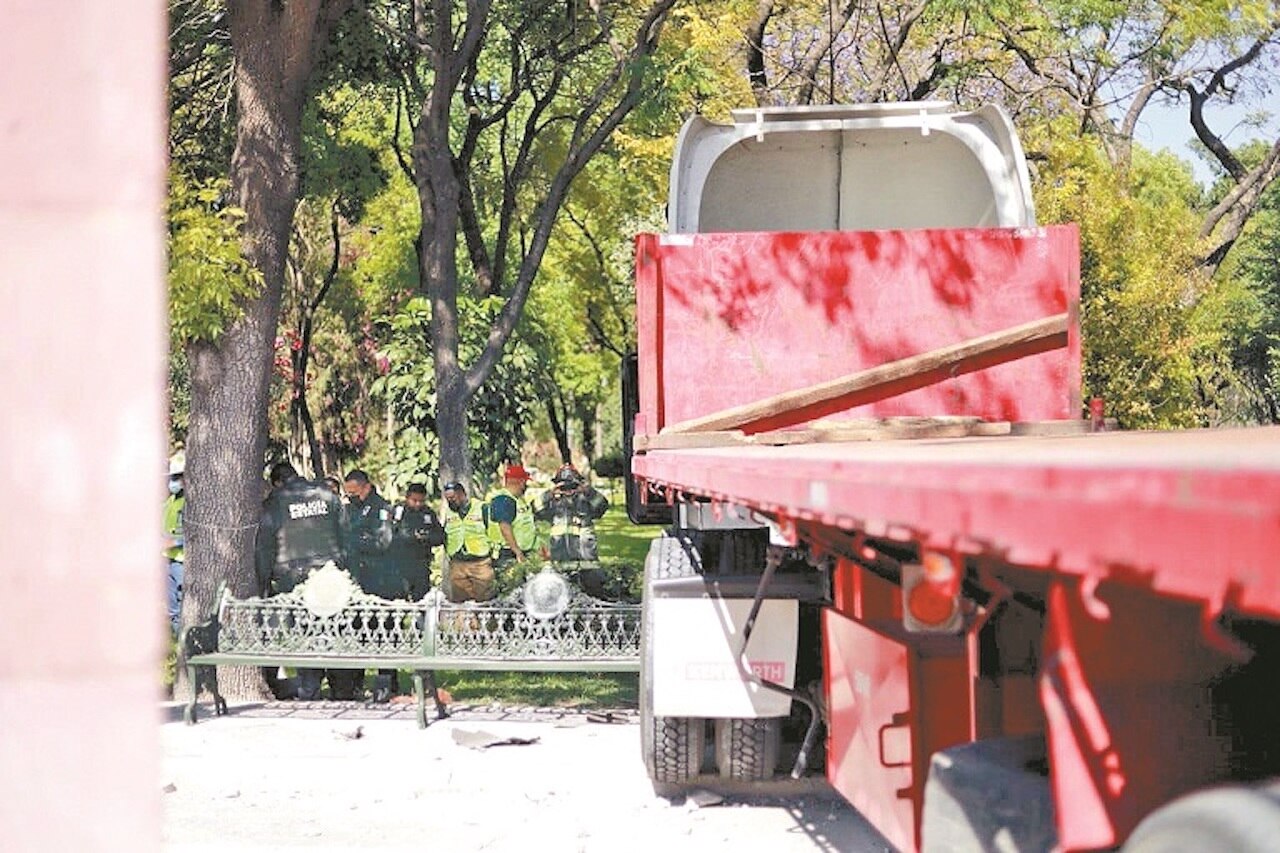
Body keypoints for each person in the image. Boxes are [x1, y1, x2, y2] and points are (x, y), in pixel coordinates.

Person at [255, 461, 347, 700]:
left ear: (277, 482)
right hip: (331, 574)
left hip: (293, 578)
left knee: (305, 631)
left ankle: (310, 688)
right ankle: (340, 688)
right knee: (332, 629)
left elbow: (265, 546)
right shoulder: (327, 495)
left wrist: (263, 581)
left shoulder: (275, 502)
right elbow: (345, 534)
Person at [340, 469, 393, 701]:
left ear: (366, 487)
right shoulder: (348, 510)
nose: (350, 497)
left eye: (354, 492)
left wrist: (355, 541)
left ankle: (386, 684)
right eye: (347, 493)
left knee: (384, 632)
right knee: (355, 632)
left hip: (379, 580)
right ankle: (355, 685)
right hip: (355, 581)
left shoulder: (382, 509)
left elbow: (382, 543)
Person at [535, 463, 610, 564]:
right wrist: (550, 493)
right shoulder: (553, 502)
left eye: (572, 485)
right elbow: (535, 509)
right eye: (563, 486)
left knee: (590, 578)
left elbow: (603, 506)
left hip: (585, 556)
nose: (568, 489)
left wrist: (587, 491)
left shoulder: (586, 499)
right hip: (560, 556)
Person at [440, 481, 495, 602]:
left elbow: (494, 533)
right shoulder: (449, 513)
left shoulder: (482, 508)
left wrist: (494, 557)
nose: (450, 501)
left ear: (462, 494)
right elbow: (445, 535)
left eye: (453, 498)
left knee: (484, 602)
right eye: (447, 499)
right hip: (458, 563)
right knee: (460, 604)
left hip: (480, 563)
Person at [486, 463, 540, 585]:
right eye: (525, 483)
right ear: (521, 482)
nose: (525, 486)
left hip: (520, 554)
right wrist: (517, 551)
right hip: (508, 554)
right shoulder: (503, 499)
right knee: (510, 589)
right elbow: (505, 527)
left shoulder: (519, 500)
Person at [163, 452, 186, 633]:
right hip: (169, 560)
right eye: (173, 477)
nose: (174, 481)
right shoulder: (170, 502)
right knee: (172, 608)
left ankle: (183, 649)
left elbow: (192, 535)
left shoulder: (190, 502)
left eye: (178, 477)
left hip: (183, 561)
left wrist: (173, 542)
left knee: (181, 605)